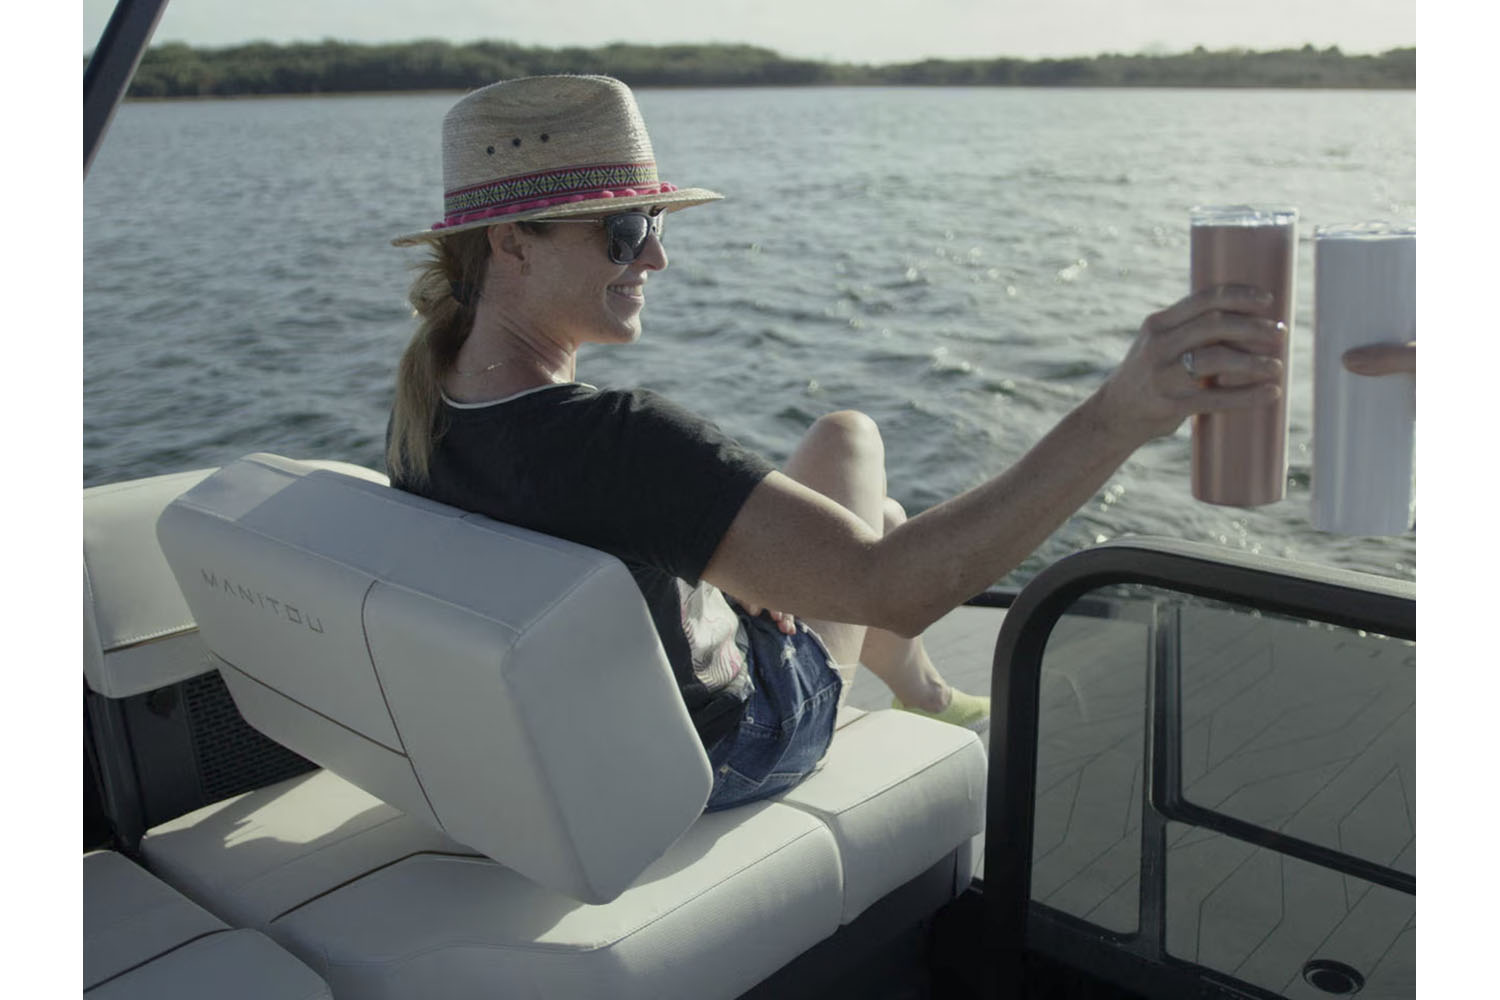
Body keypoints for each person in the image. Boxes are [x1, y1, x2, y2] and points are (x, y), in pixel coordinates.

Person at [386, 75, 1285, 812]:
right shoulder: (616, 444)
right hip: (732, 752)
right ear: (511, 242)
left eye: (658, 226)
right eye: (625, 232)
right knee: (859, 466)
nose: (654, 260)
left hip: (591, 735)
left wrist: (732, 578)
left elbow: (597, 536)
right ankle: (926, 696)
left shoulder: (433, 405)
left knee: (853, 483)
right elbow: (897, 591)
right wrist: (1119, 415)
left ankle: (926, 695)